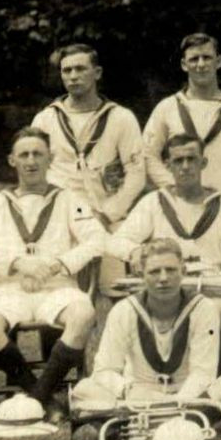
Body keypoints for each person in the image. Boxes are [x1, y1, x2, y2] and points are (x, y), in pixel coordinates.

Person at [0, 126, 106, 419]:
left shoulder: (68, 200)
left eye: (38, 154)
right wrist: (15, 262)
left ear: (50, 159)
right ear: (12, 160)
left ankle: (36, 397)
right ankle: (44, 398)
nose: (31, 161)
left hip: (58, 286)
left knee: (83, 314)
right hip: (9, 289)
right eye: (23, 154)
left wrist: (57, 264)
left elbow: (97, 240)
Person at [71, 238, 221, 415]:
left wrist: (178, 402)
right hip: (139, 397)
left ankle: (144, 421)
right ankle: (186, 422)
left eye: (170, 270)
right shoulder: (123, 310)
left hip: (189, 396)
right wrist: (130, 391)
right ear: (141, 276)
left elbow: (202, 373)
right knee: (84, 388)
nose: (163, 278)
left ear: (183, 271)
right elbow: (104, 371)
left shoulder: (204, 308)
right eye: (154, 272)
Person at [28, 43, 145, 300]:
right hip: (62, 221)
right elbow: (37, 176)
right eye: (66, 70)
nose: (73, 76)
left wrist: (107, 213)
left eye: (80, 69)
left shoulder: (121, 117)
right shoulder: (45, 119)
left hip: (107, 218)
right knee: (61, 298)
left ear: (98, 72)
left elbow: (137, 174)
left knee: (120, 294)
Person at [108, 134, 221, 327]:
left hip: (210, 286)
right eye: (178, 161)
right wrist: (135, 252)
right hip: (164, 284)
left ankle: (215, 358)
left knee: (216, 310)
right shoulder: (154, 202)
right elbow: (116, 241)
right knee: (131, 313)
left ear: (203, 163)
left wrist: (218, 284)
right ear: (168, 165)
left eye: (191, 159)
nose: (185, 166)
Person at [141, 32, 221, 211]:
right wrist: (174, 184)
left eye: (207, 57)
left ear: (218, 61)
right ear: (184, 65)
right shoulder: (167, 108)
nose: (201, 64)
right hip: (181, 208)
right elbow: (147, 156)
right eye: (194, 59)